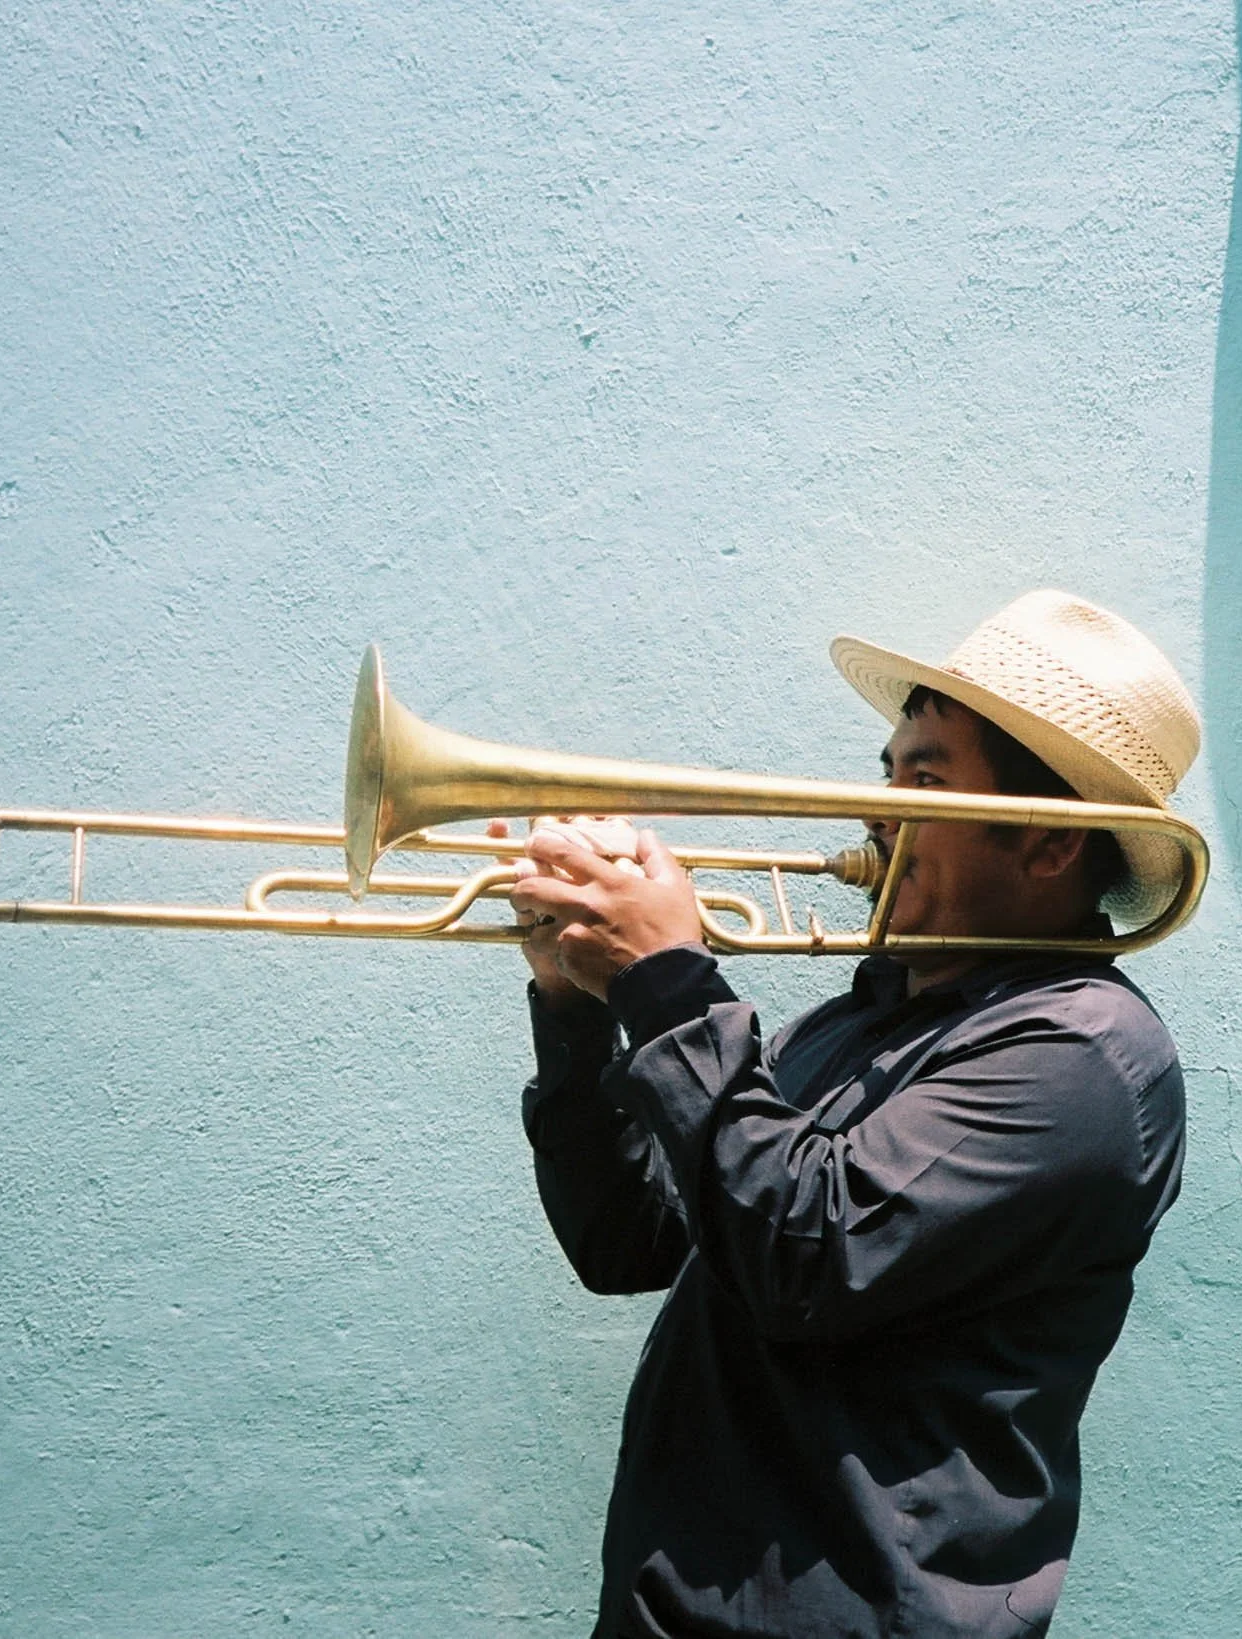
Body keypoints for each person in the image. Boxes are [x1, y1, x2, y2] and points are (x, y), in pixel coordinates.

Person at [509, 590, 1202, 1638]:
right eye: (889, 771)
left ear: (1049, 843)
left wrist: (665, 980)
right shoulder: (848, 1022)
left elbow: (805, 1250)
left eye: (924, 776)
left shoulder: (1082, 1054)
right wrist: (571, 1011)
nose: (875, 809)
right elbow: (631, 1239)